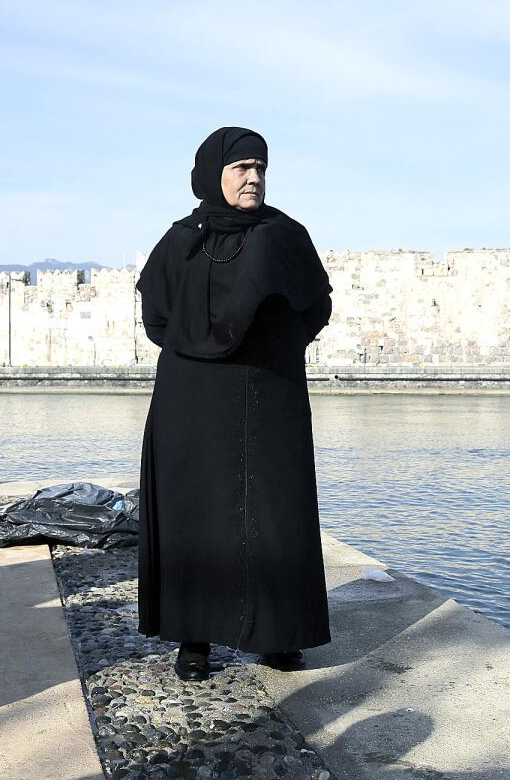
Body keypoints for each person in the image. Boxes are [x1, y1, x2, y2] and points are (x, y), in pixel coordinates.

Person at [136, 127, 333, 681]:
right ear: (211, 174)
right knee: (193, 513)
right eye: (241, 167)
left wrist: (268, 347)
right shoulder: (180, 240)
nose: (254, 178)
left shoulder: (284, 236)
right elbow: (157, 319)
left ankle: (278, 635)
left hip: (267, 392)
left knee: (276, 510)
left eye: (261, 168)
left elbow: (315, 306)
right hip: (192, 399)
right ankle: (194, 639)